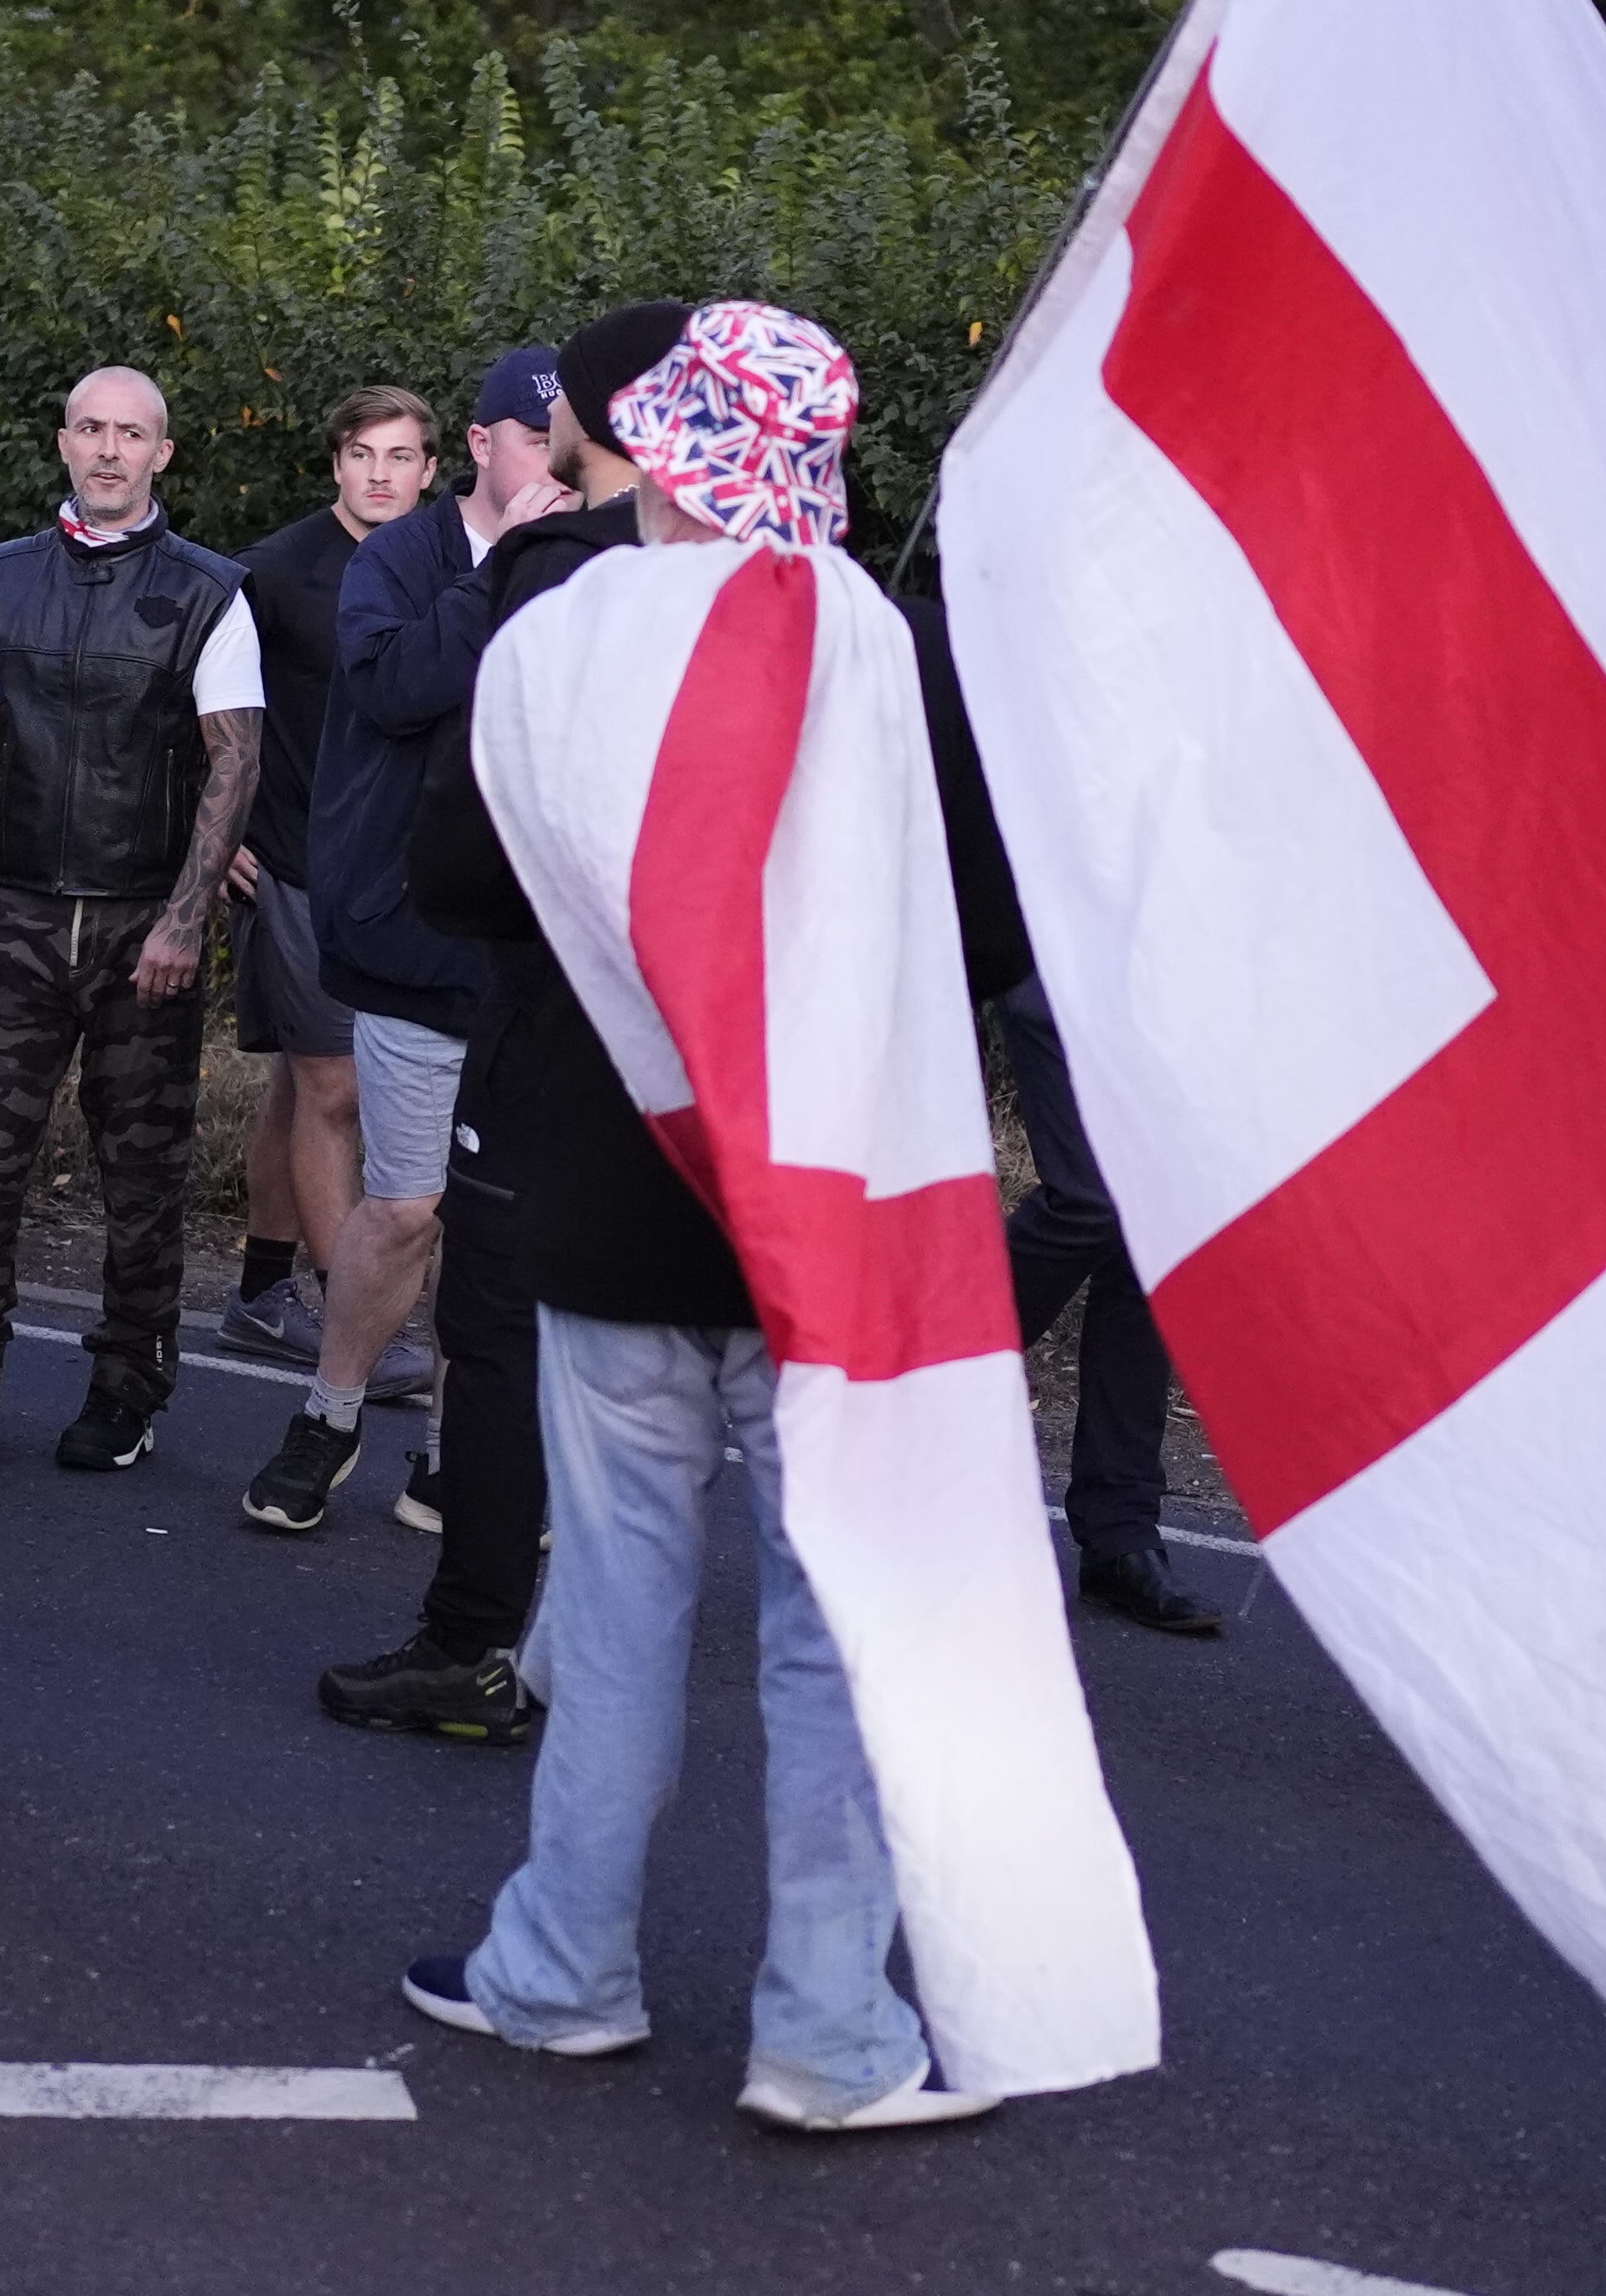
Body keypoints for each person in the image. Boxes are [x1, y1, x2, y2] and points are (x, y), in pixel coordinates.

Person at [390, 302, 1026, 2130]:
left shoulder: (558, 624)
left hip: (602, 1191)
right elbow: (981, 923)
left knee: (609, 1600)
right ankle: (830, 2028)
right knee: (835, 1629)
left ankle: (560, 1968)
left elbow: (446, 872)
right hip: (828, 1210)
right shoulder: (881, 646)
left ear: (654, 446)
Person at [238, 346, 571, 1530]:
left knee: (505, 1220)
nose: (561, 464)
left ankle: (452, 1453)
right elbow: (393, 688)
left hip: (535, 954)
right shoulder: (399, 561)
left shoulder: (590, 567)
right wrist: (509, 570)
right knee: (409, 1206)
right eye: (539, 441)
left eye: (570, 442)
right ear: (479, 449)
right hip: (412, 940)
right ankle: (327, 1418)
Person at [0, 366, 260, 1470]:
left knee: (143, 1179)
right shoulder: (3, 581)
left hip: (138, 928)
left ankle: (127, 1392)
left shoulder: (211, 592)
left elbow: (234, 763)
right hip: (11, 913)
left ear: (164, 454)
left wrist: (182, 921)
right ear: (64, 442)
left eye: (134, 434)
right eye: (93, 430)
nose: (111, 450)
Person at [215, 382, 438, 1385]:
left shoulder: (447, 565)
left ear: (433, 469)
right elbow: (204, 706)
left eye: (400, 456)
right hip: (297, 866)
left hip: (401, 871)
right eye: (363, 454)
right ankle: (355, 1324)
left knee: (298, 1088)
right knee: (334, 1089)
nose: (381, 473)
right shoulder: (272, 573)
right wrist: (212, 834)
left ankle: (261, 1294)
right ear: (336, 463)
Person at [997, 977, 1220, 1634]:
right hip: (1054, 943)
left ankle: (1120, 1535)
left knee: (1152, 1228)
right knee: (1088, 1200)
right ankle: (908, 1375)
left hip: (1178, 972)